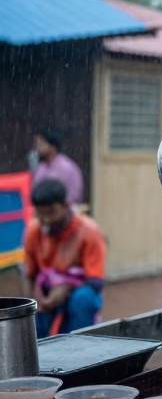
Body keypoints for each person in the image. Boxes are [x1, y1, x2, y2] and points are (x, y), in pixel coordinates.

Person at [24, 179, 105, 336]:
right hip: (47, 292)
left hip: (79, 291)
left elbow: (95, 282)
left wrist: (65, 289)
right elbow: (29, 275)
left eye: (51, 212)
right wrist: (35, 300)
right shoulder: (33, 231)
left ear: (66, 206)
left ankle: (80, 350)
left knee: (82, 299)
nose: (46, 220)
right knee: (32, 315)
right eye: (41, 214)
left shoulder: (89, 231)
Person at [31, 126, 84, 208]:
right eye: (36, 144)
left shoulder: (67, 168)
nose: (37, 148)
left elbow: (74, 196)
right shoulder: (40, 168)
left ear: (53, 147)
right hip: (43, 214)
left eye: (41, 144)